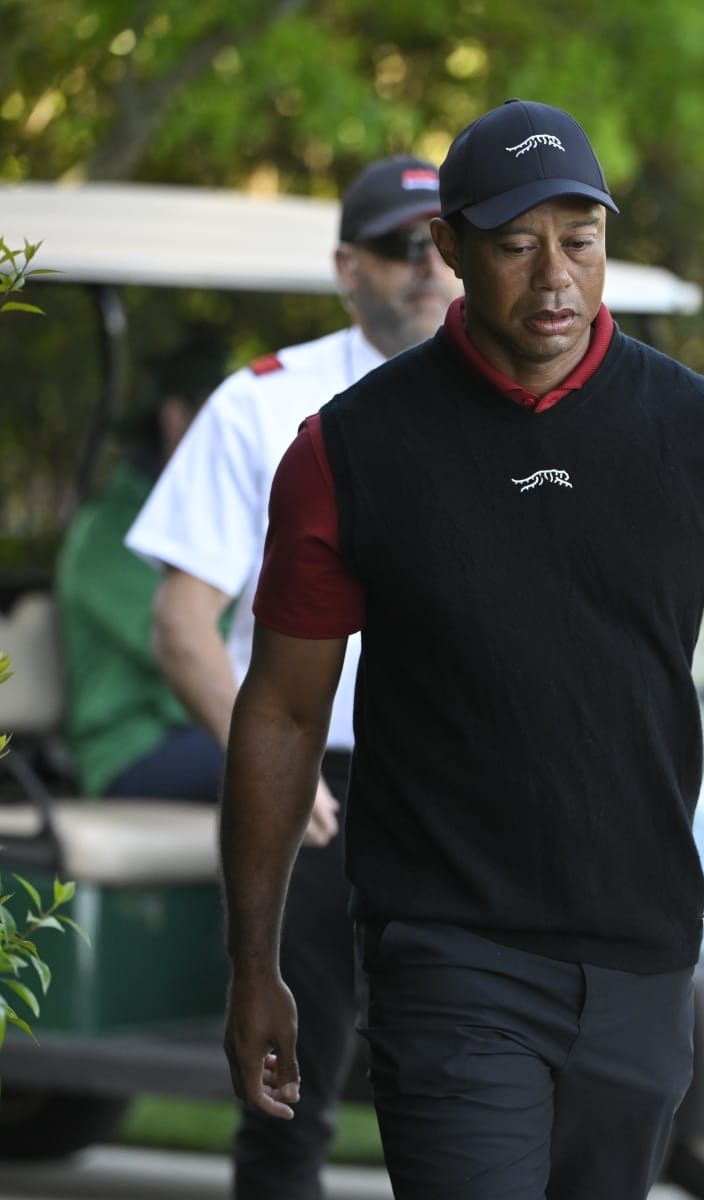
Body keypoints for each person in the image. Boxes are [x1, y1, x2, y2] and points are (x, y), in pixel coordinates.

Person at [217, 99, 704, 1200]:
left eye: (579, 242)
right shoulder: (350, 452)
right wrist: (254, 963)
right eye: (514, 245)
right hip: (447, 950)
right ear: (448, 250)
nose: (555, 277)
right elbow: (284, 711)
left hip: (640, 952)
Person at [125, 154, 459, 1199]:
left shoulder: (523, 401)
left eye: (444, 244)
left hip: (463, 786)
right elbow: (183, 625)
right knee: (288, 1097)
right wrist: (279, 769)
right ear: (345, 268)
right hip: (314, 786)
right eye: (401, 249)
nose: (427, 268)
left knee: (465, 1081)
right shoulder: (264, 407)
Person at [55, 339, 228, 801]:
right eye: (226, 422)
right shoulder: (108, 532)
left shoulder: (213, 515)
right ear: (174, 418)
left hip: (207, 731)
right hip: (132, 748)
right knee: (307, 757)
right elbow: (188, 642)